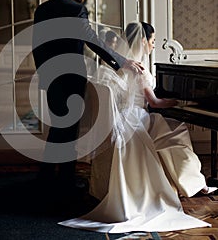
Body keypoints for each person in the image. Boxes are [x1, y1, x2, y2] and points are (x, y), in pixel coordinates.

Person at [58, 21, 217, 233]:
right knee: (177, 130)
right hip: (136, 121)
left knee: (167, 129)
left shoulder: (115, 65)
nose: (153, 46)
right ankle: (195, 183)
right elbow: (155, 103)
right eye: (152, 41)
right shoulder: (138, 68)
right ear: (143, 41)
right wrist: (180, 102)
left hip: (120, 121)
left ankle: (187, 182)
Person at [32, 0, 143, 199]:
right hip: (71, 79)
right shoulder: (76, 10)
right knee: (67, 131)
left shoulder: (42, 10)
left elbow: (37, 47)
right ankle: (64, 184)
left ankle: (46, 179)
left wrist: (45, 74)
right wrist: (122, 62)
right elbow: (92, 40)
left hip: (51, 77)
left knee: (58, 127)